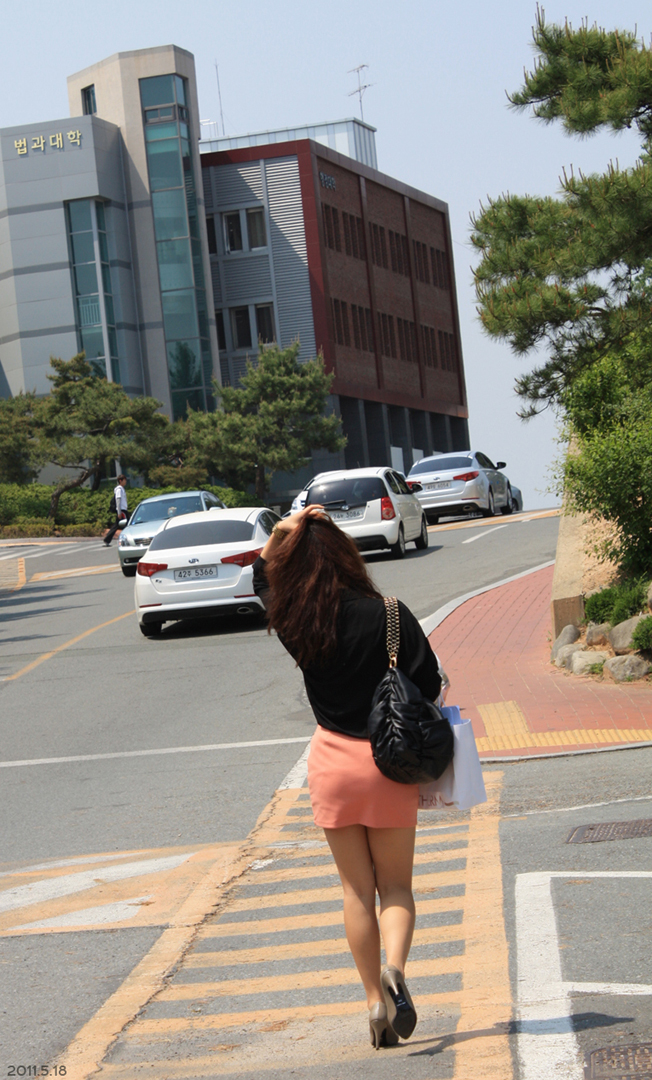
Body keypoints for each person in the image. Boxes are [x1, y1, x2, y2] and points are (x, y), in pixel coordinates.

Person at [253, 506, 441, 1049]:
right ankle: (395, 970)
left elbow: (259, 578)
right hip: (388, 763)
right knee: (396, 887)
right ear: (347, 555)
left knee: (355, 891)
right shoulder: (389, 613)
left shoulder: (298, 621)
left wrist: (282, 533)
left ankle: (374, 1003)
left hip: (332, 764)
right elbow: (429, 684)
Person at [103, 474, 129, 546]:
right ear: (120, 480)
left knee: (117, 525)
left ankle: (107, 539)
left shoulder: (122, 489)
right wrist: (119, 512)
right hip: (122, 510)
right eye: (124, 480)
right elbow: (118, 500)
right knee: (127, 524)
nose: (125, 482)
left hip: (123, 510)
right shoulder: (119, 489)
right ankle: (127, 539)